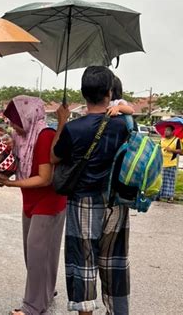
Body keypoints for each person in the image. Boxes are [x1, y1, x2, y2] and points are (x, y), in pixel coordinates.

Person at [51, 66, 130, 315]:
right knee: (114, 261)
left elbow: (54, 158)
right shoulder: (122, 125)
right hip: (116, 201)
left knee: (83, 261)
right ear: (109, 92)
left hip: (82, 201)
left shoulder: (75, 129)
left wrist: (62, 121)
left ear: (83, 93)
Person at [0, 96, 66, 315]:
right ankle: (45, 291)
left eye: (14, 120)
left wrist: (11, 183)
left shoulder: (45, 136)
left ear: (27, 117)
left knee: (37, 253)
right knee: (37, 252)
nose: (12, 125)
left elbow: (45, 178)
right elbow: (11, 151)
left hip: (49, 201)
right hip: (31, 200)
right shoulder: (21, 136)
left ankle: (32, 306)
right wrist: (3, 142)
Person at [159, 125, 183, 203]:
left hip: (171, 163)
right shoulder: (162, 139)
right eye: (165, 130)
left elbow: (180, 151)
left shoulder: (177, 140)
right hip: (161, 163)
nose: (166, 132)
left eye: (168, 130)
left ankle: (170, 197)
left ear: (173, 132)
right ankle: (159, 196)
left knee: (169, 181)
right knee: (159, 180)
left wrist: (172, 150)